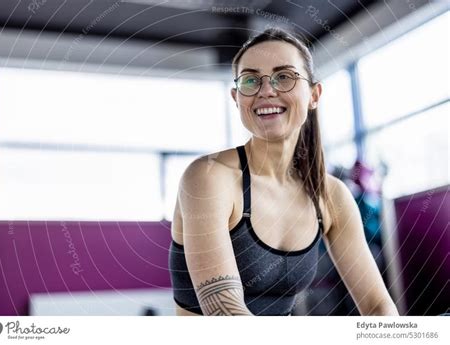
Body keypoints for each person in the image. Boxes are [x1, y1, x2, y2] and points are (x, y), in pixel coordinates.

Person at [168, 28, 399, 316]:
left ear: (314, 94)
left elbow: (378, 306)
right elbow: (223, 310)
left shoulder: (330, 196)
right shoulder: (208, 177)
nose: (266, 90)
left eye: (285, 77)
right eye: (251, 80)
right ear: (237, 98)